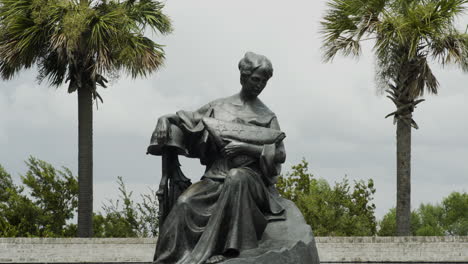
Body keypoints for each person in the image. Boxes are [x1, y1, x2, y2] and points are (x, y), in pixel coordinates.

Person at [152, 52, 286, 264]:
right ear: (243, 77)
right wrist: (163, 120)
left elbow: (279, 153)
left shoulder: (267, 115)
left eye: (264, 81)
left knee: (236, 177)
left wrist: (246, 148)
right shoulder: (219, 106)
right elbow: (188, 119)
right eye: (256, 79)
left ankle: (223, 252)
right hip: (214, 178)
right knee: (185, 203)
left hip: (250, 180)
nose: (260, 85)